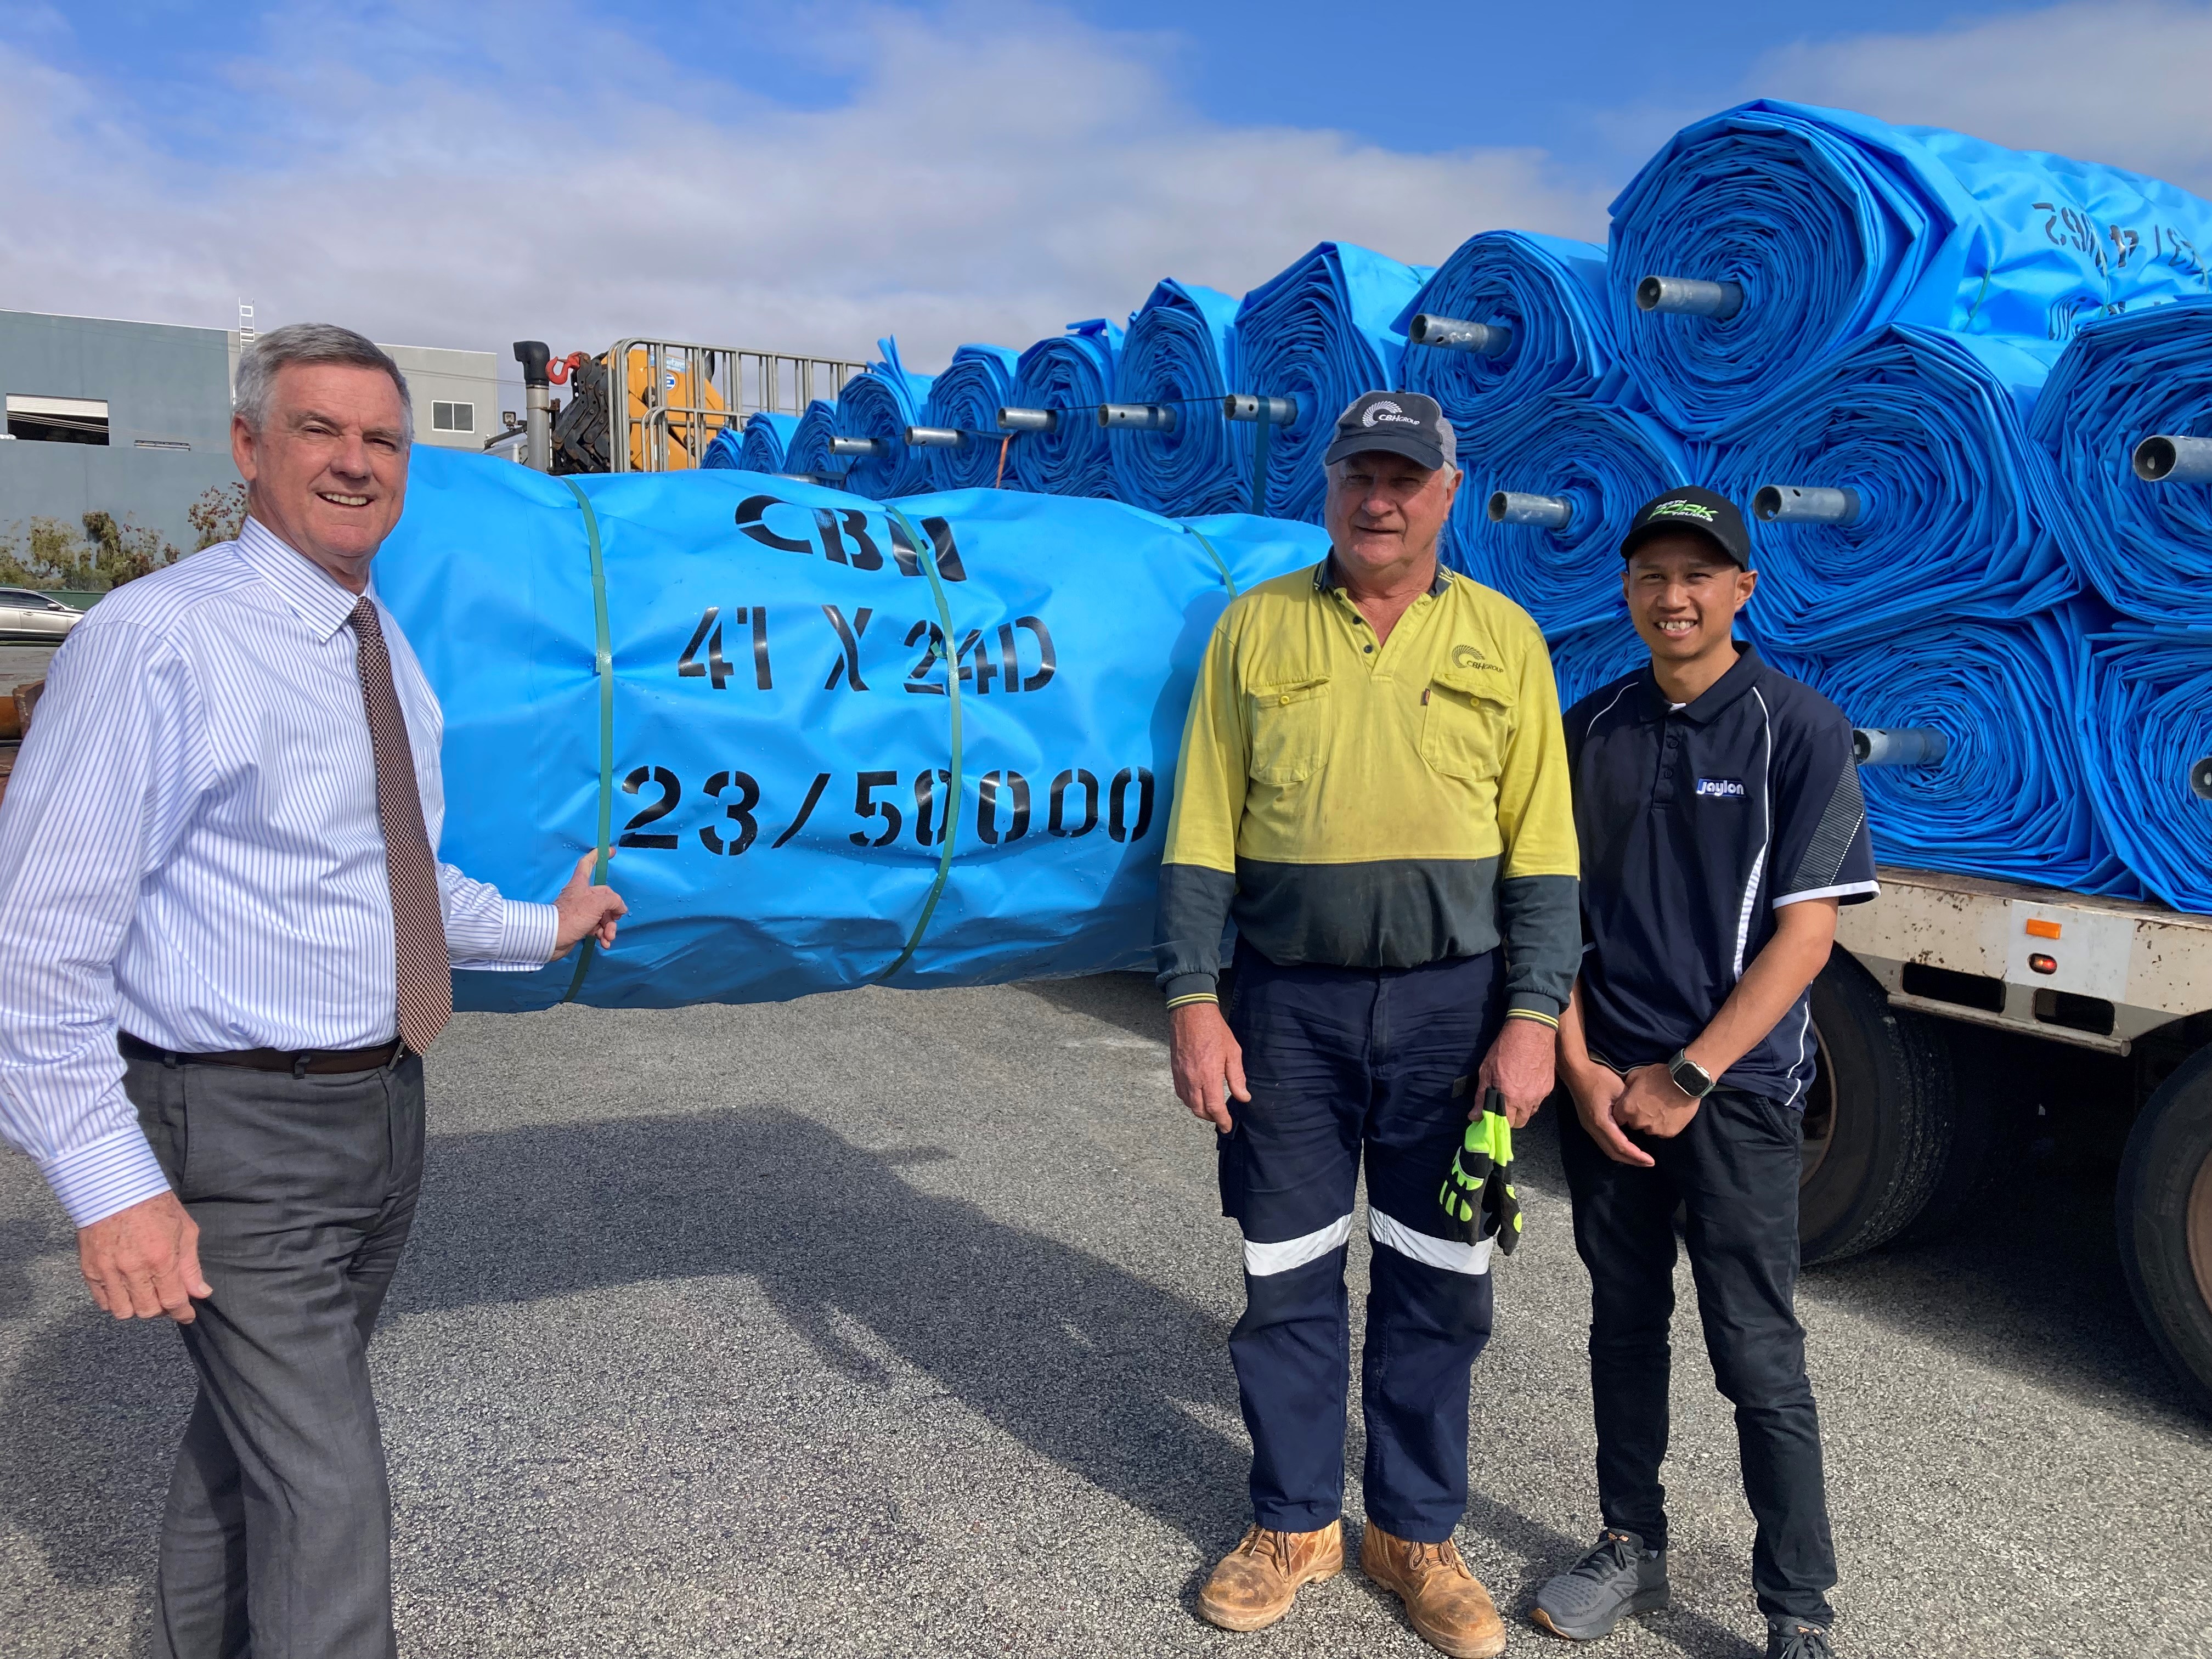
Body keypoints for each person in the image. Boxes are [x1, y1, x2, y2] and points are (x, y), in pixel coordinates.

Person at [0, 323, 628, 1659]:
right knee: (330, 1494)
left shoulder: (378, 643)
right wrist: (110, 1186)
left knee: (254, 1457)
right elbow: (34, 945)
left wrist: (547, 923)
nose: (356, 462)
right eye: (319, 431)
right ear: (248, 449)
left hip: (378, 1114)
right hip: (235, 1129)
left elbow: (393, 882)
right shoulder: (156, 643)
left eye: (383, 439)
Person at [1156, 391, 1579, 1658]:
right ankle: (1293, 1522)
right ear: (1329, 485)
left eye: (1406, 478)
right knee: (1284, 1273)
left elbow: (1545, 853)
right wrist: (1191, 999)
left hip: (1456, 1014)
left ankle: (1413, 1532)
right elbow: (1200, 833)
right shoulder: (1257, 628)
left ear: (1449, 493)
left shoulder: (1507, 640)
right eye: (1360, 475)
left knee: (1439, 1279)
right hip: (1286, 1004)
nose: (1379, 498)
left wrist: (1533, 1017)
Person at [1531, 488, 1876, 1659]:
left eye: (1698, 575)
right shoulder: (1590, 731)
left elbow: (1807, 938)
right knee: (1622, 1326)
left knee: (1757, 1351)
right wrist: (1580, 1072)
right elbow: (1549, 922)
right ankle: (1630, 1541)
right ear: (1626, 592)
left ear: (1743, 591)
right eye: (1650, 576)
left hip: (1729, 1098)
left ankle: (1796, 1608)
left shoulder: (1801, 730)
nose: (1672, 597)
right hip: (1607, 1100)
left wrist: (1687, 1074)